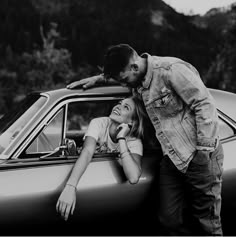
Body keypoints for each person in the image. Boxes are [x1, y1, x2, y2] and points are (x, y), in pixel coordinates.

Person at [67, 44, 224, 235]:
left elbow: (204, 105)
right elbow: (123, 77)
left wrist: (203, 152)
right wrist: (99, 80)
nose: (124, 85)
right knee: (168, 220)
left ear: (134, 67)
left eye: (124, 80)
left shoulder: (170, 70)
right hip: (172, 159)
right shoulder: (137, 81)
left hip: (199, 155)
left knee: (206, 223)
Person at [56, 95, 147, 221]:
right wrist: (70, 186)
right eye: (120, 103)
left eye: (125, 107)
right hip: (84, 173)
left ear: (132, 122)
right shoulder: (99, 123)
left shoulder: (134, 142)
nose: (118, 106)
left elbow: (133, 177)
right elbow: (87, 151)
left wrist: (121, 138)